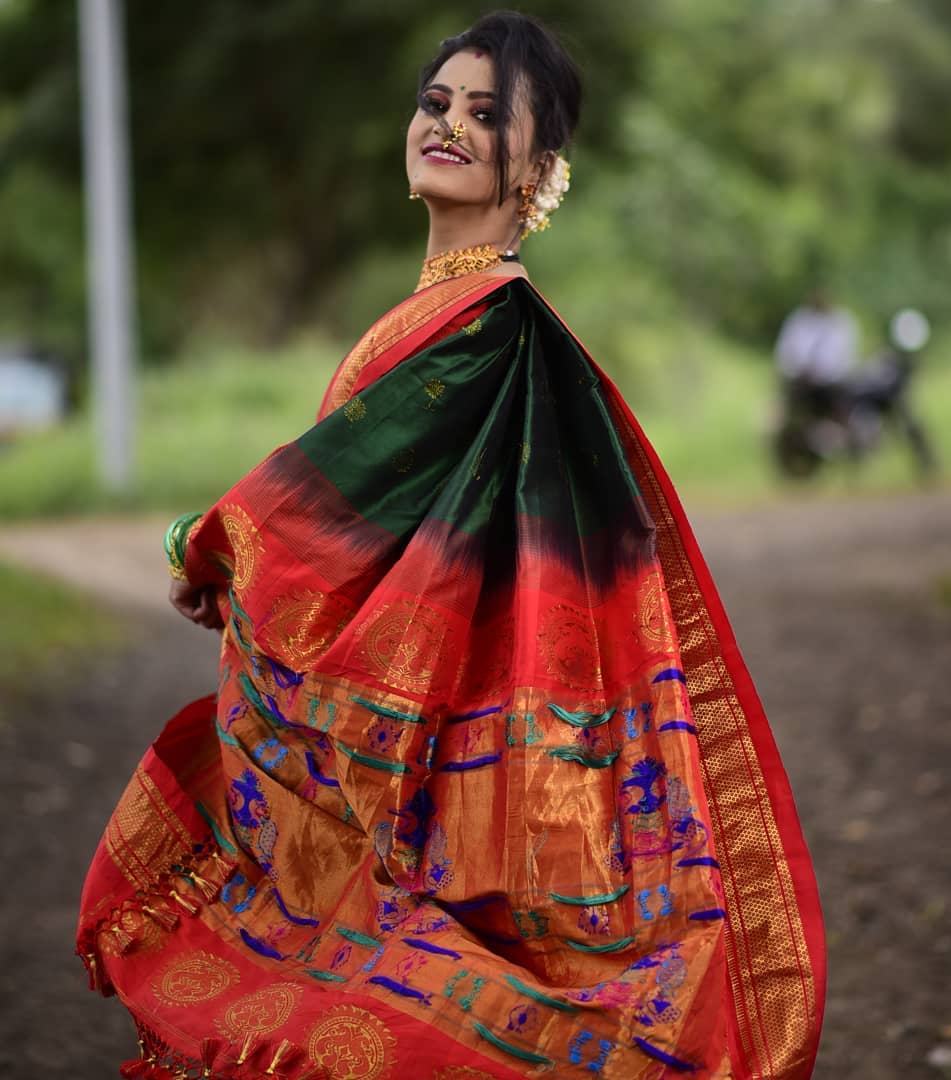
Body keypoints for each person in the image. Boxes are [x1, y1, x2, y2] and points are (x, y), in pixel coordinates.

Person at [78, 13, 824, 1079]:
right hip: (408, 723)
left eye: (487, 113)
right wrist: (246, 576)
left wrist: (203, 546)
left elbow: (323, 503)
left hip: (437, 737)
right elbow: (371, 524)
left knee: (410, 996)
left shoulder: (486, 325)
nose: (450, 123)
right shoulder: (447, 312)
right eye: (437, 102)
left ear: (542, 171)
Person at [774, 287, 859, 419]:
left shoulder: (843, 323)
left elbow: (846, 361)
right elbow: (785, 350)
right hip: (797, 380)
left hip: (830, 387)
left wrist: (821, 376)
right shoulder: (799, 318)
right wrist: (797, 370)